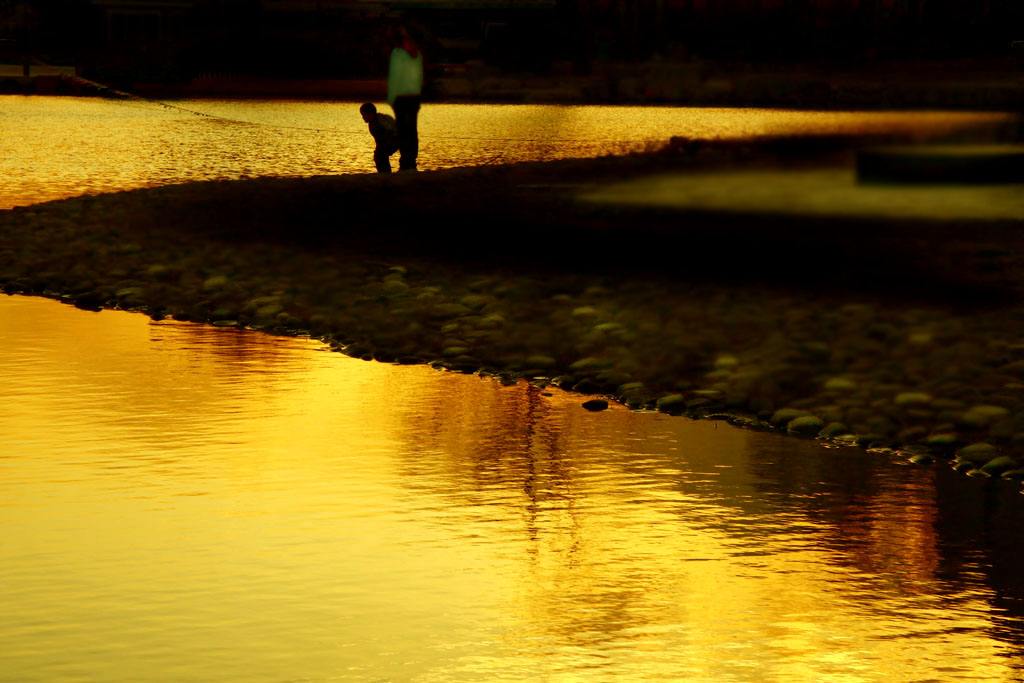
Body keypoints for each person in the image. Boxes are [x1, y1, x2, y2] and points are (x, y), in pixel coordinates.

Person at [386, 24, 423, 172]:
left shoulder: (403, 53)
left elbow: (396, 76)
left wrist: (391, 97)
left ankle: (408, 161)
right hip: (407, 97)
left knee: (406, 129)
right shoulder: (406, 53)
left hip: (406, 97)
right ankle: (408, 161)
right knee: (407, 129)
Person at [360, 102, 399, 174]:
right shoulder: (375, 121)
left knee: (379, 154)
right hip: (393, 140)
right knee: (379, 154)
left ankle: (385, 174)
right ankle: (385, 173)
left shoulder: (377, 122)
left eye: (363, 115)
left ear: (370, 114)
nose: (362, 117)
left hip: (397, 139)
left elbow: (390, 133)